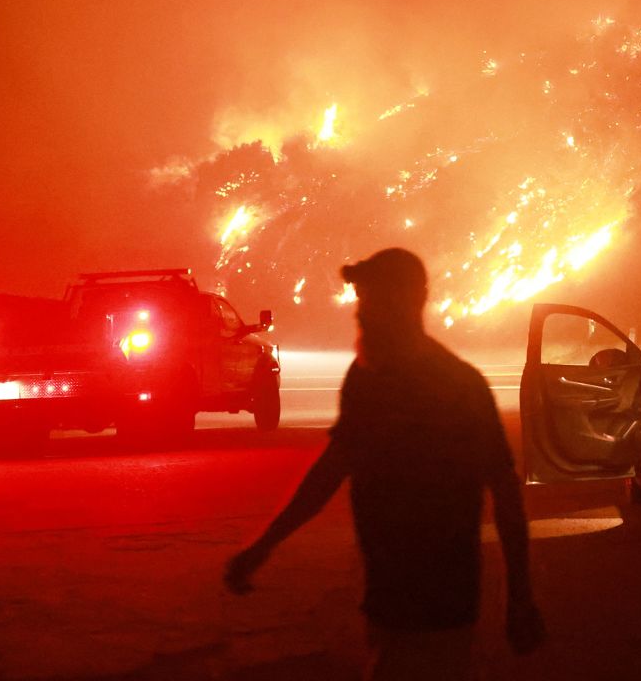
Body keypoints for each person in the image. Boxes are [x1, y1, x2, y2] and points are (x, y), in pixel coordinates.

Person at [224, 247, 544, 679]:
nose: (362, 312)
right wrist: (263, 546)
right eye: (362, 299)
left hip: (439, 602)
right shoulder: (368, 377)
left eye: (373, 299)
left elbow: (504, 492)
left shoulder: (457, 386)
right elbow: (332, 469)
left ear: (408, 300)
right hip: (386, 599)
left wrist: (519, 598)